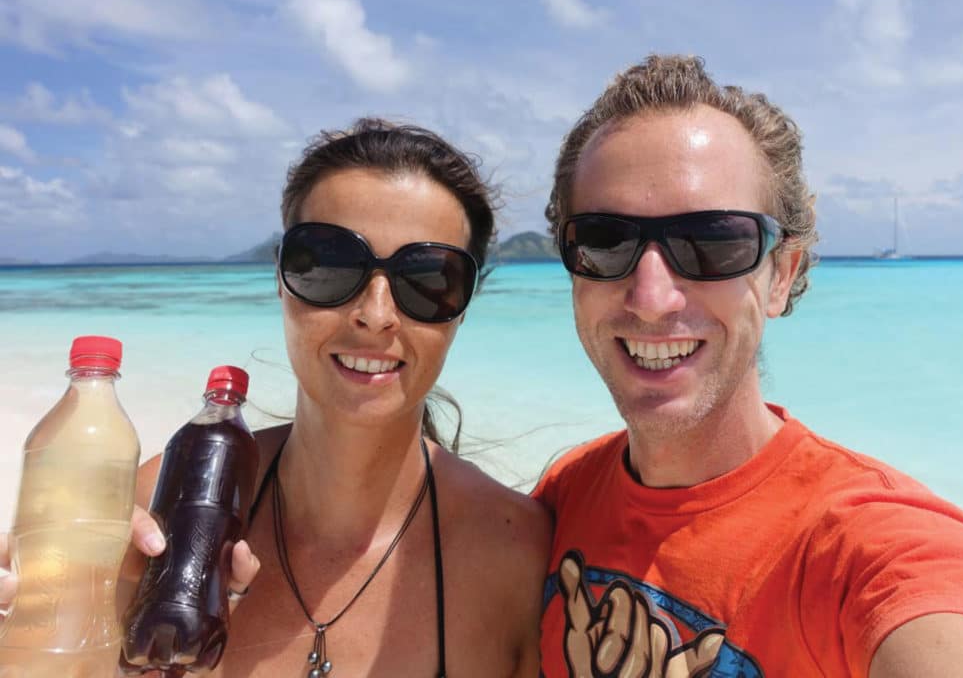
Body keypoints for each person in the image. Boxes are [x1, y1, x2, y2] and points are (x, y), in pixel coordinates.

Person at [2, 119, 551, 677]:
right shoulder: (157, 514)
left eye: (429, 279)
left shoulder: (515, 552)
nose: (376, 314)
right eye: (330, 264)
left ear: (463, 304)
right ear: (281, 278)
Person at [534, 55, 963, 677]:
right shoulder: (564, 496)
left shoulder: (865, 549)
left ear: (781, 277)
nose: (652, 298)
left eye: (713, 242)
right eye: (605, 242)